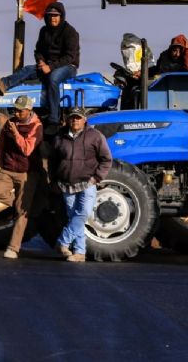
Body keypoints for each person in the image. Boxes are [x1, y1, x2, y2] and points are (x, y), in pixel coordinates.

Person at [0, 1, 80, 127]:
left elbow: (70, 57)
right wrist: (41, 62)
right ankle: (3, 84)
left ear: (61, 16)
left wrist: (50, 67)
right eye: (50, 15)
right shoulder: (44, 31)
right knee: (27, 70)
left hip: (67, 66)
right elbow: (38, 51)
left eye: (56, 16)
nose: (53, 18)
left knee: (53, 78)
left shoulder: (70, 32)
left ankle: (54, 118)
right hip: (47, 65)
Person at [49, 107, 112, 262]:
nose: (75, 120)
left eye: (78, 118)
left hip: (87, 183)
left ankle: (63, 241)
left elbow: (106, 159)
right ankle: (80, 253)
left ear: (84, 120)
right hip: (66, 184)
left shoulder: (95, 136)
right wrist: (54, 180)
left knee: (83, 214)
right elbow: (53, 161)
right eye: (72, 117)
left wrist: (96, 178)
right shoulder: (60, 137)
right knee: (74, 218)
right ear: (68, 119)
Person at [0, 95, 44, 259]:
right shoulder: (10, 122)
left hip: (27, 172)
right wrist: (0, 160)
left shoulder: (37, 126)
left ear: (29, 110)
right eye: (15, 110)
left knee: (22, 213)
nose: (16, 113)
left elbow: (27, 149)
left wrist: (15, 133)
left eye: (20, 111)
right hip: (8, 168)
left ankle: (13, 248)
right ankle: (21, 208)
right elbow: (2, 142)